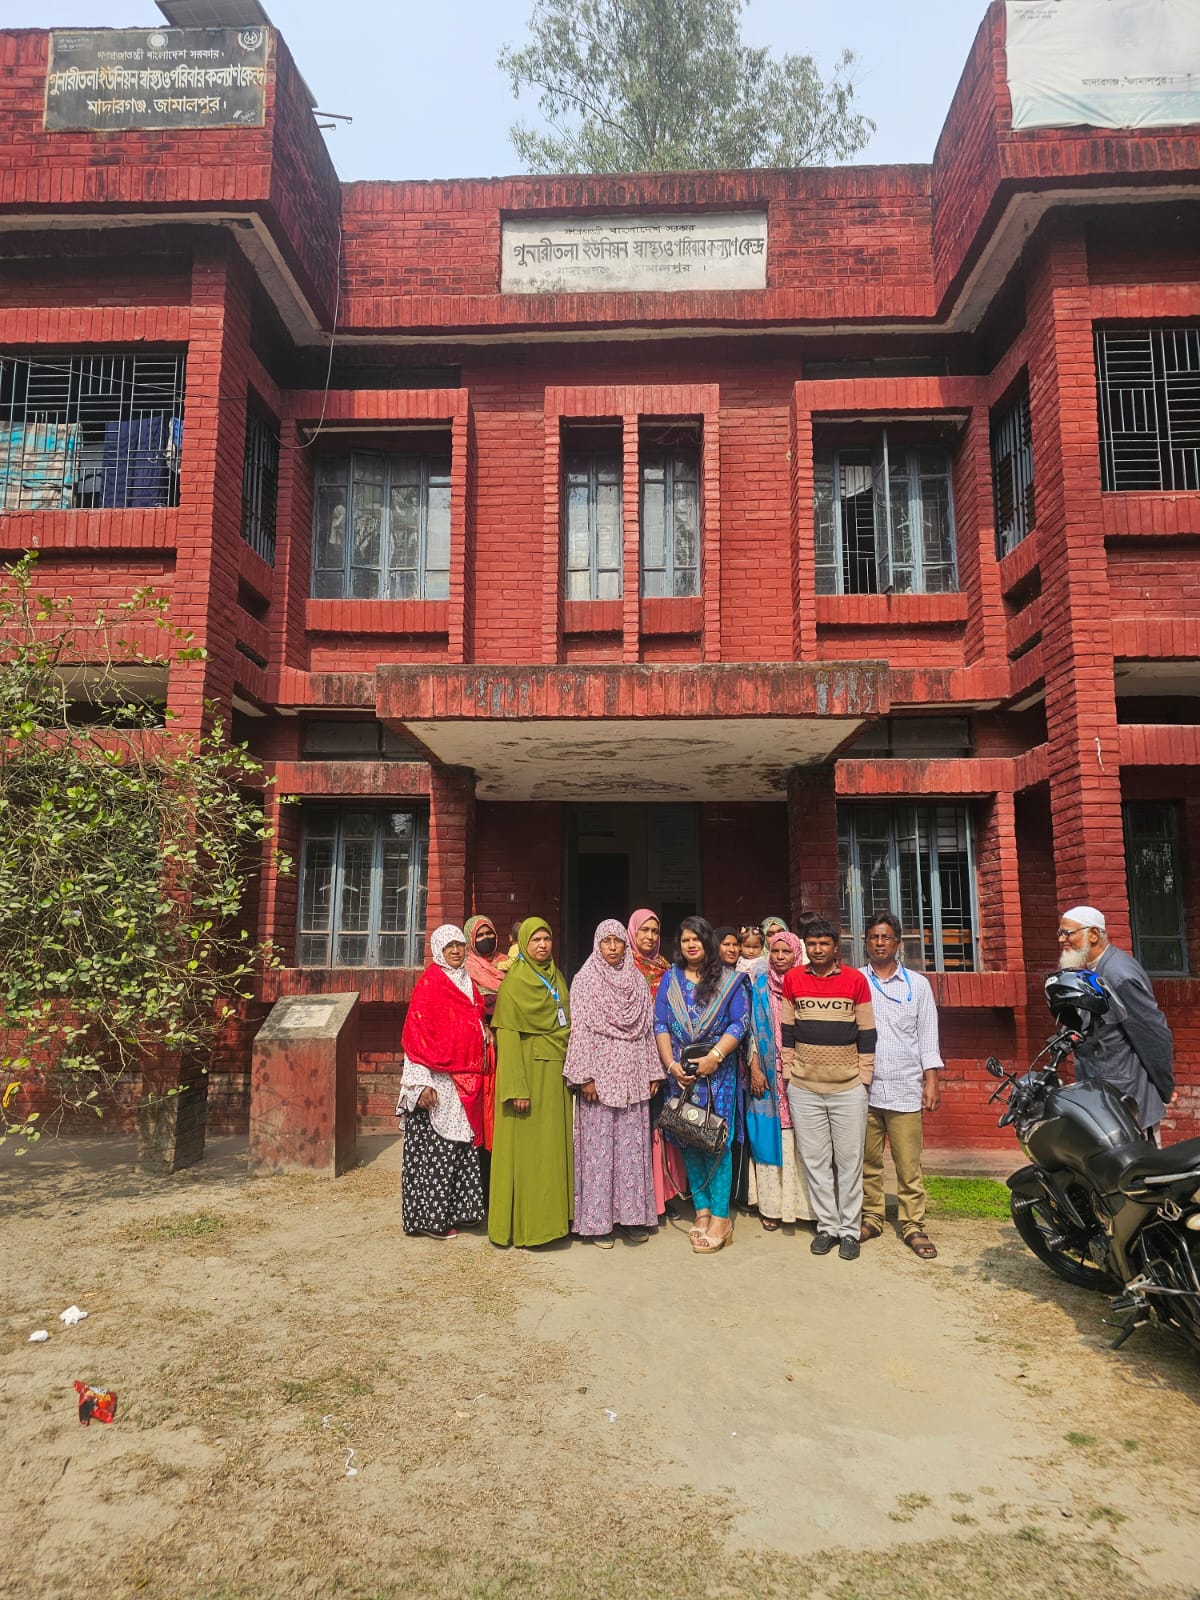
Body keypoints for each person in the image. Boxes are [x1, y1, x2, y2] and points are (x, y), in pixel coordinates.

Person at [563, 919, 664, 1247]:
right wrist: (586, 1077)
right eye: (606, 941)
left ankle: (632, 1219)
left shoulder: (636, 980)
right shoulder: (585, 980)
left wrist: (652, 1071)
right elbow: (580, 1030)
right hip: (600, 1081)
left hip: (633, 1076)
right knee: (599, 1153)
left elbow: (646, 1029)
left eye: (618, 941)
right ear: (597, 944)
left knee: (632, 1151)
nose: (612, 947)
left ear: (625, 944)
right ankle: (598, 1223)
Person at [654, 916, 750, 1255]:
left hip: (717, 1074)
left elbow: (740, 1023)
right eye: (685, 940)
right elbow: (660, 1024)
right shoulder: (670, 979)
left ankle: (721, 1218)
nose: (691, 945)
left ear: (707, 942)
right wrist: (671, 1065)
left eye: (696, 939)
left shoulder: (729, 980)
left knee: (715, 1141)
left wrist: (715, 1056)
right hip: (680, 1073)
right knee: (688, 1137)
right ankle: (702, 1209)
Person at [781, 916, 875, 1261]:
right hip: (804, 1088)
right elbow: (787, 1030)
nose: (818, 949)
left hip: (848, 1088)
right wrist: (789, 1071)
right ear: (805, 947)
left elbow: (867, 1032)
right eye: (812, 943)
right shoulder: (793, 979)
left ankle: (850, 1230)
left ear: (836, 947)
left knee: (849, 1162)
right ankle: (828, 1227)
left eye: (824, 943)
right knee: (816, 1162)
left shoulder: (855, 980)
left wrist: (863, 1077)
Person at [396, 924, 490, 1239]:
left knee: (460, 1148)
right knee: (435, 1153)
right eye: (449, 946)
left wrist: (484, 1033)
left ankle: (460, 1212)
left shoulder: (466, 981)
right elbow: (415, 1037)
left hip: (463, 1078)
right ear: (438, 950)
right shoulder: (430, 985)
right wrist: (420, 1084)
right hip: (435, 1081)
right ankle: (430, 1220)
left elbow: (473, 1018)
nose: (455, 951)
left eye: (460, 945)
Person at [858, 913, 943, 1259]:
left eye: (886, 937)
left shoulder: (917, 985)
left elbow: (928, 1036)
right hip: (864, 1088)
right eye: (874, 937)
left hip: (905, 1086)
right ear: (865, 942)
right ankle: (872, 1217)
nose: (879, 943)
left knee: (908, 1164)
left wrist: (931, 1080)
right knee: (868, 1162)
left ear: (898, 943)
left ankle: (912, 1224)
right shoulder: (856, 981)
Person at [488, 916, 574, 1248]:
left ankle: (553, 1223)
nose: (542, 945)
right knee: (528, 1154)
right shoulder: (514, 984)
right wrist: (516, 1089)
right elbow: (508, 1040)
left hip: (554, 1075)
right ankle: (527, 1227)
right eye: (535, 940)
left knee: (550, 1150)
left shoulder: (557, 976)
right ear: (523, 943)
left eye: (546, 939)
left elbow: (566, 1021)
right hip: (527, 1076)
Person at [1057, 905, 1174, 1139]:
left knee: (1140, 1161)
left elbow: (1153, 1036)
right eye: (1060, 933)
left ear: (1093, 934)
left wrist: (1165, 1087)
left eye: (1068, 933)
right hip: (1107, 1097)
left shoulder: (1119, 975)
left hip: (1128, 1099)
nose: (1061, 939)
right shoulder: (1096, 970)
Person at [745, 930, 815, 1231]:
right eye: (775, 951)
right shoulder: (758, 985)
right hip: (767, 1075)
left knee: (806, 1141)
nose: (780, 957)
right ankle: (772, 1207)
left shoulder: (807, 984)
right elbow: (748, 1029)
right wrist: (755, 1068)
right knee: (767, 1139)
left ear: (797, 954)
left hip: (803, 1075)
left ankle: (805, 1209)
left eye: (787, 951)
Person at [464, 915, 507, 1018]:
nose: (486, 938)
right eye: (480, 935)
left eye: (489, 933)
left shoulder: (506, 961)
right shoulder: (466, 966)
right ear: (470, 939)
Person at [627, 909, 670, 993]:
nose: (650, 936)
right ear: (633, 931)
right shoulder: (623, 964)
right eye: (644, 930)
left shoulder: (664, 966)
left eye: (655, 932)